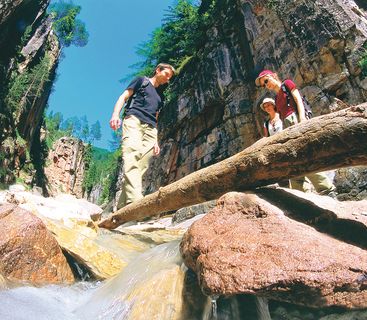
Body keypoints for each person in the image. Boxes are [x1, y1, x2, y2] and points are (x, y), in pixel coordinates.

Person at [255, 70, 336, 196]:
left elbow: (298, 100)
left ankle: (326, 189)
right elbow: (281, 118)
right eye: (264, 84)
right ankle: (302, 195)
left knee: (304, 156)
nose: (266, 85)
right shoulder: (276, 98)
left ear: (273, 76)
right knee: (294, 160)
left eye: (266, 81)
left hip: (296, 120)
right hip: (287, 127)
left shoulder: (287, 84)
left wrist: (302, 119)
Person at [110, 63, 175, 208]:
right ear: (158, 70)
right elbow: (124, 97)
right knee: (131, 156)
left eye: (170, 77)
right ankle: (137, 205)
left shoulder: (160, 96)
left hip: (151, 130)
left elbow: (156, 117)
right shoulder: (141, 81)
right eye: (166, 75)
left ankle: (122, 209)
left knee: (142, 166)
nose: (168, 79)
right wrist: (115, 114)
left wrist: (156, 141)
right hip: (134, 121)